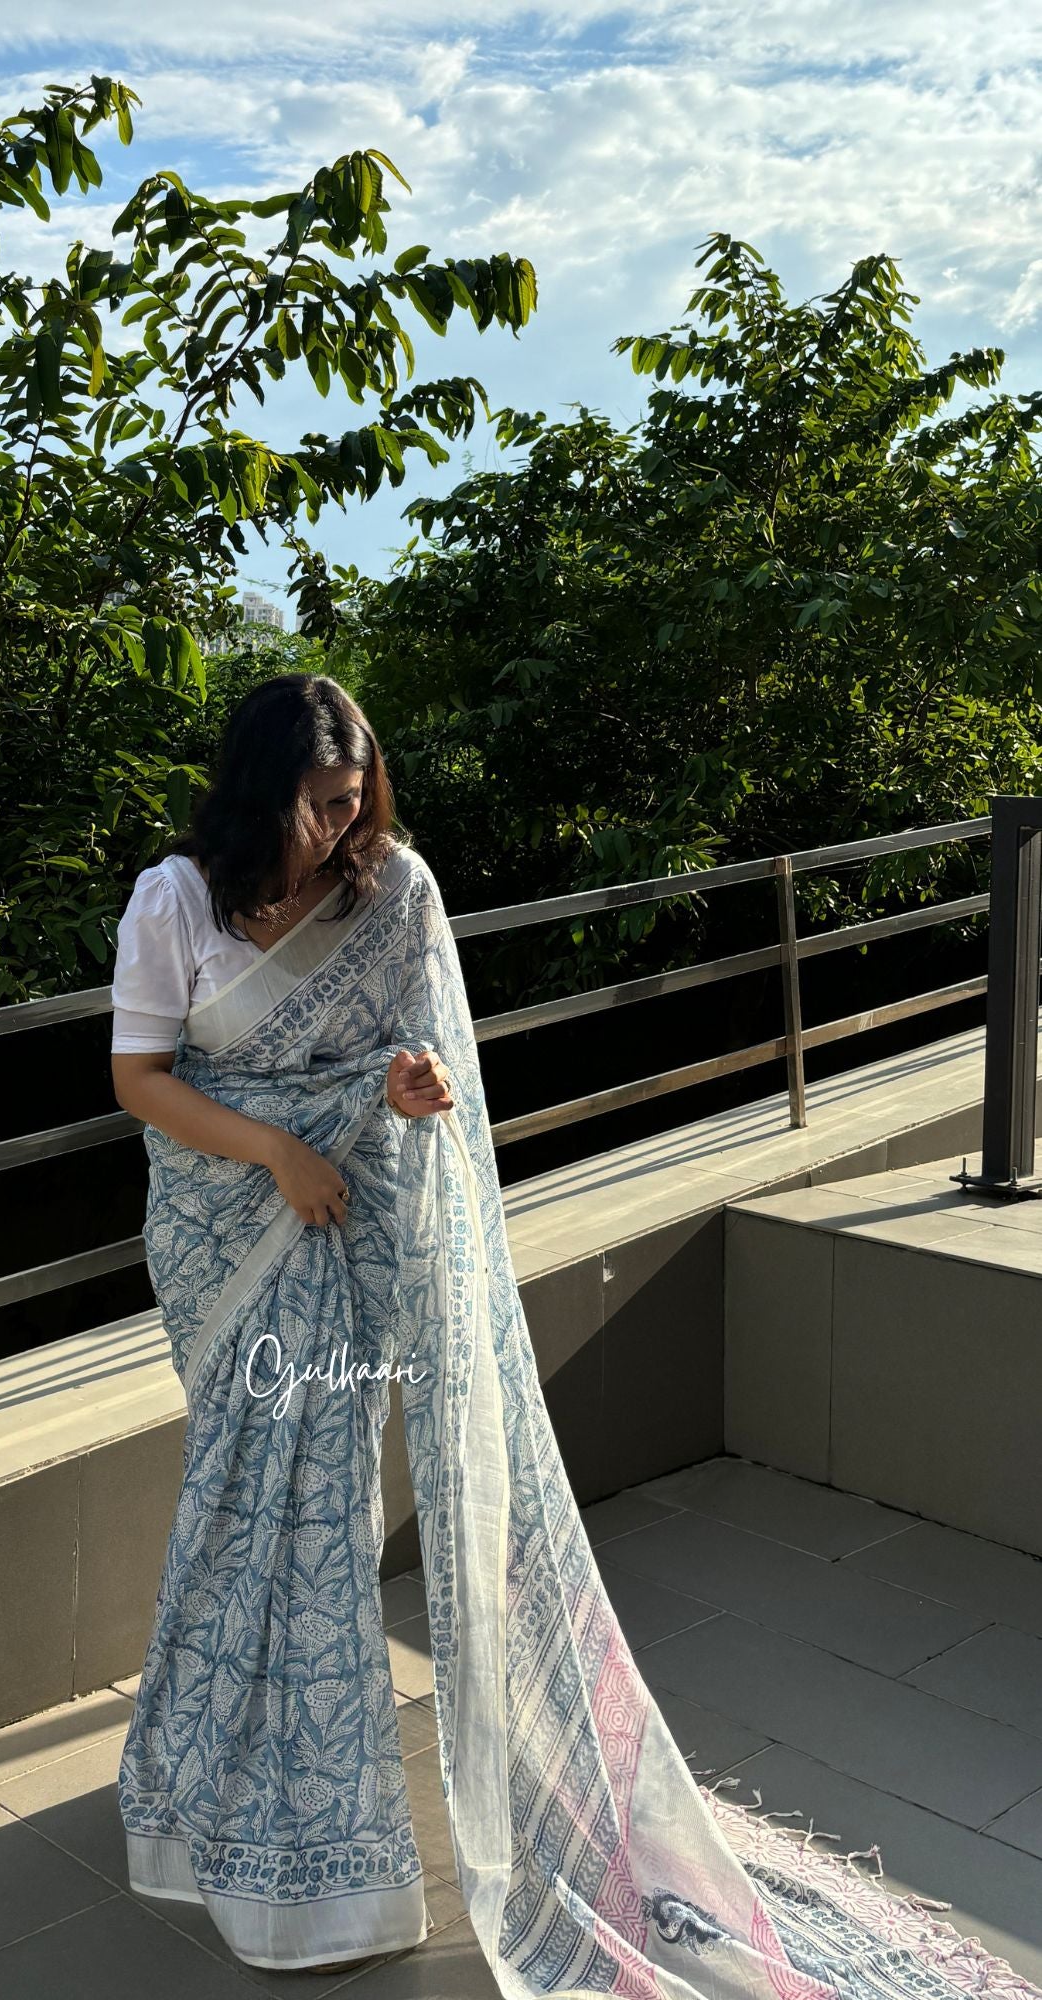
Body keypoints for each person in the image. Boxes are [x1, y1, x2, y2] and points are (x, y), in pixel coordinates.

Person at [108, 673, 1034, 1998]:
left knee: (314, 1519)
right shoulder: (175, 901)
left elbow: (422, 1069)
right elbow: (141, 1079)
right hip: (231, 1226)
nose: (336, 831)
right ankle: (200, 1786)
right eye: (316, 808)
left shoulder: (395, 891)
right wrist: (269, 1151)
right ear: (259, 795)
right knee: (243, 1504)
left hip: (357, 1216)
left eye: (354, 804)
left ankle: (319, 1878)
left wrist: (411, 1086)